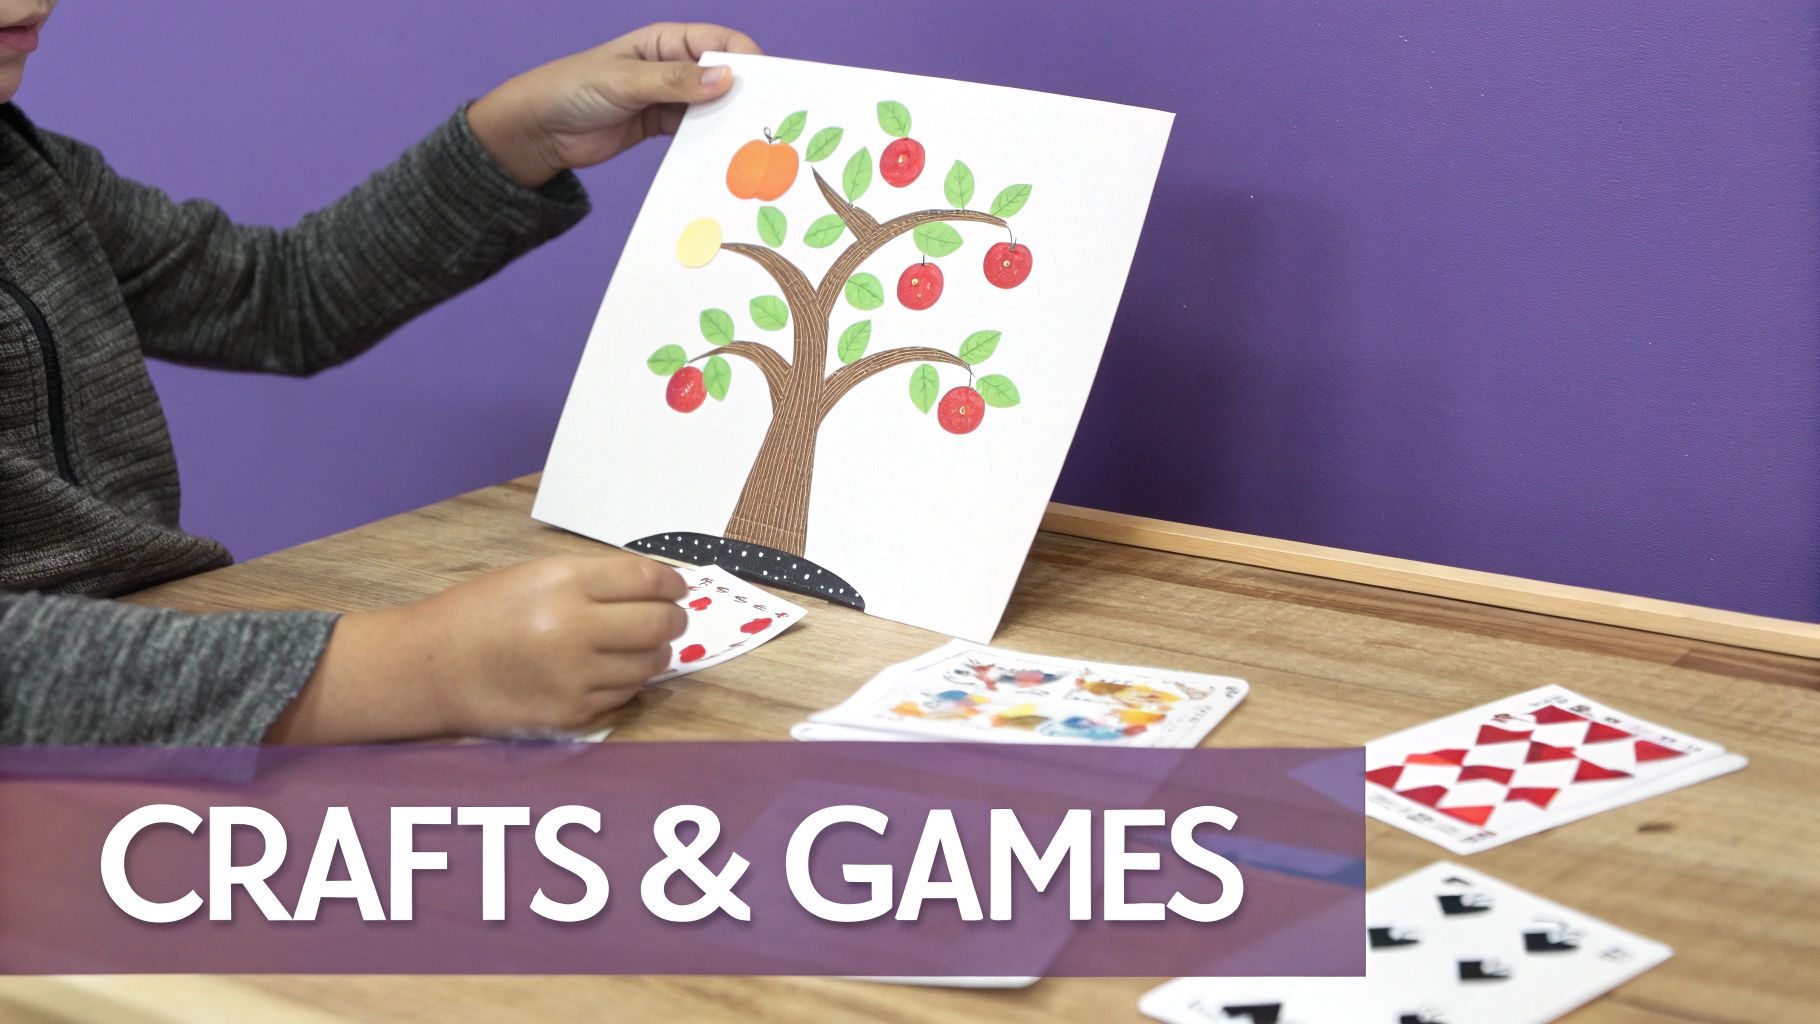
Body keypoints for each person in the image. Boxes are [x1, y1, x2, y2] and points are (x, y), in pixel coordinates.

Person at [0, 5, 764, 744]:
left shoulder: (26, 169)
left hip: (175, 687)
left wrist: (524, 134)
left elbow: (275, 298)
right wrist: (413, 669)